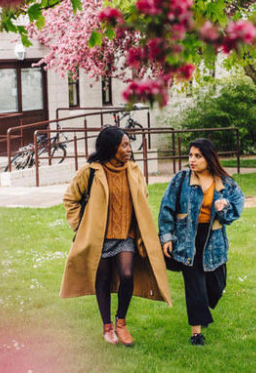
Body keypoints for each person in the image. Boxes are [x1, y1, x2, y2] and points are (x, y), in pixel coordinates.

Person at [60, 126, 171, 346]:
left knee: (127, 275)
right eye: (124, 145)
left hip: (126, 236)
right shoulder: (91, 171)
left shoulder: (134, 170)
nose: (129, 149)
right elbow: (70, 200)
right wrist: (81, 228)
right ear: (112, 147)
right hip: (99, 238)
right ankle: (107, 327)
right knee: (102, 280)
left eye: (128, 144)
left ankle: (121, 322)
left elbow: (143, 198)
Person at [158, 138, 245, 346]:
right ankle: (196, 333)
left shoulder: (226, 183)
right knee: (194, 285)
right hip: (186, 240)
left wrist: (224, 207)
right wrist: (167, 237)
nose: (192, 160)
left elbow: (235, 211)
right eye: (190, 155)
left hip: (213, 242)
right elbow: (166, 209)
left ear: (209, 157)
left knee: (216, 287)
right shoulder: (181, 180)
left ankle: (203, 308)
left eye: (198, 156)